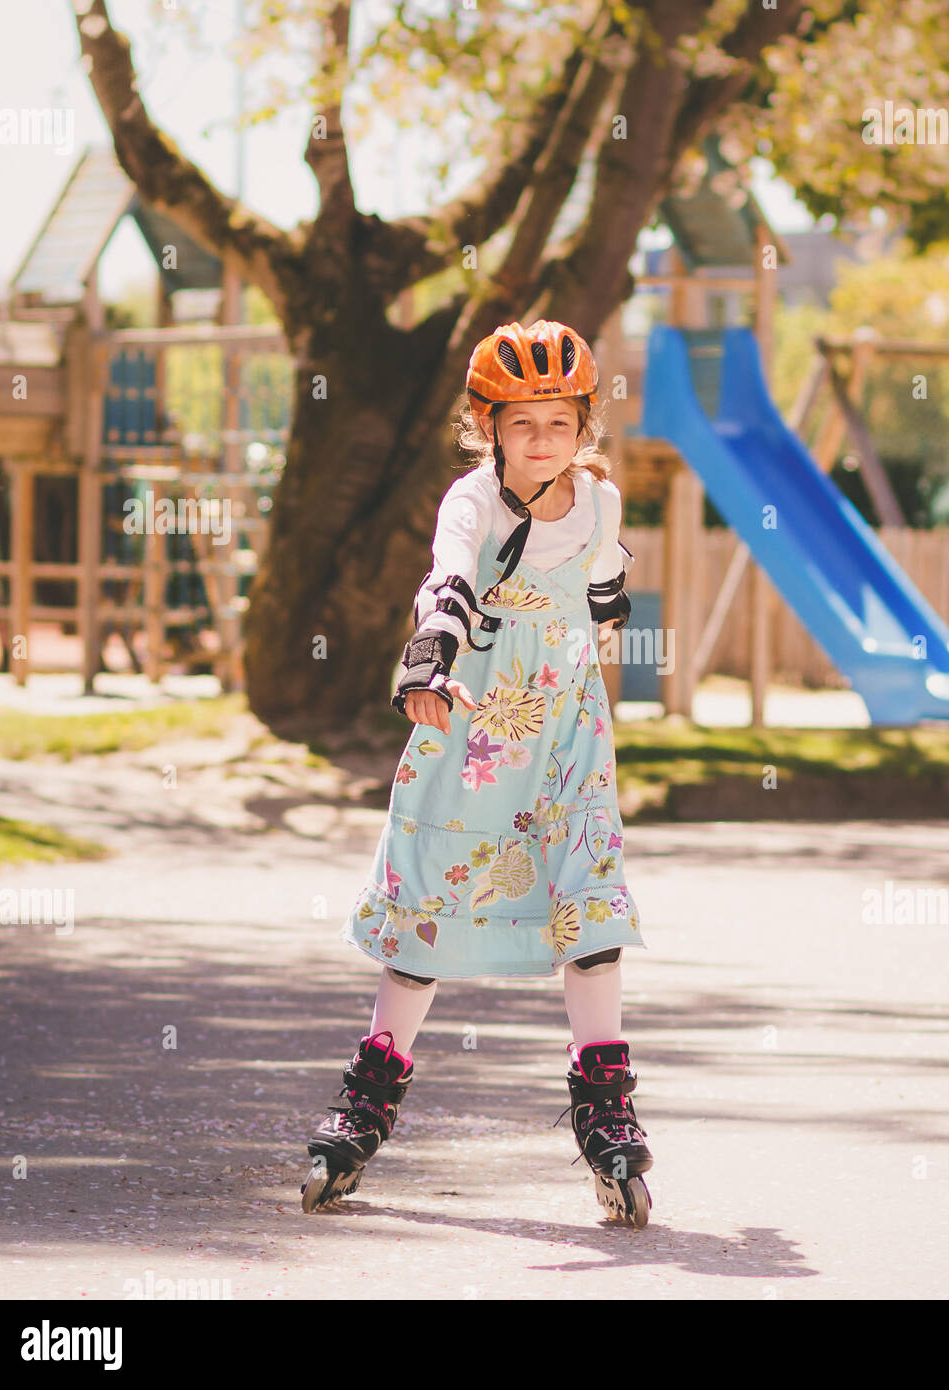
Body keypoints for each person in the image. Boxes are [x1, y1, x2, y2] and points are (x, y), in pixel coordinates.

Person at [300, 319, 653, 1226]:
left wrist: (599, 607)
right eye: (522, 422)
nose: (543, 440)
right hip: (470, 726)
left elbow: (607, 597)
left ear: (585, 428)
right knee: (426, 911)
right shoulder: (474, 502)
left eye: (560, 422)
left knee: (591, 906)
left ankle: (607, 1112)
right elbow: (447, 581)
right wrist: (428, 658)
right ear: (487, 426)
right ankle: (365, 1105)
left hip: (566, 739)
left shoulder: (602, 504)